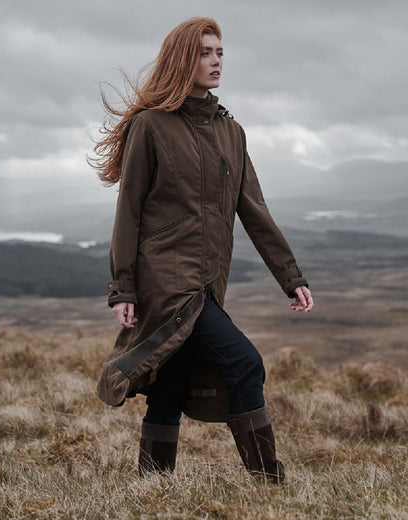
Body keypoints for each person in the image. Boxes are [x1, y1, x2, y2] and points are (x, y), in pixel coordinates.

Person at [91, 17, 313, 483]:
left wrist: (290, 277)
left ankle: (153, 486)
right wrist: (123, 287)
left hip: (211, 282)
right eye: (204, 53)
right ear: (181, 60)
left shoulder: (232, 132)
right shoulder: (149, 127)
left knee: (171, 381)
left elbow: (253, 210)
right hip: (166, 282)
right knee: (245, 363)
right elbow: (128, 212)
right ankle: (270, 483)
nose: (215, 62)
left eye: (220, 54)